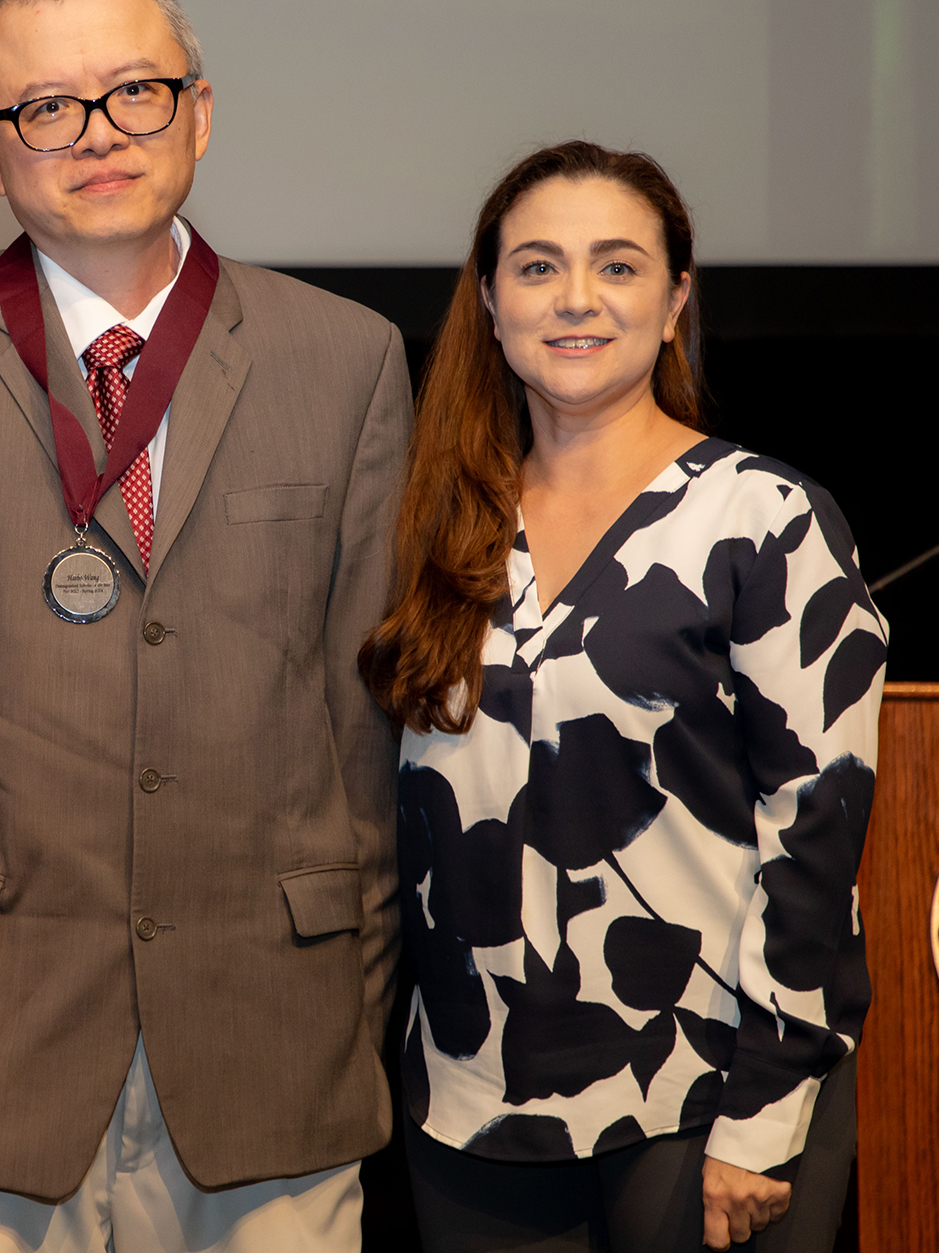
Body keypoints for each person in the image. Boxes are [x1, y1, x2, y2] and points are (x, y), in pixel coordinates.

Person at [0, 0, 411, 1253]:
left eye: (135, 92)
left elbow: (366, 741)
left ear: (202, 111)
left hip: (269, 1048)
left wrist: (347, 1002)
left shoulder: (345, 358)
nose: (98, 135)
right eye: (46, 108)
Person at [359, 141, 884, 1253]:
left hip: (704, 1097)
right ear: (489, 300)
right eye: (537, 267)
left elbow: (816, 833)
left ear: (673, 298)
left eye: (616, 265)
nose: (576, 300)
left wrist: (764, 1111)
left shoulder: (763, 518)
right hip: (466, 1101)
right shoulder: (432, 530)